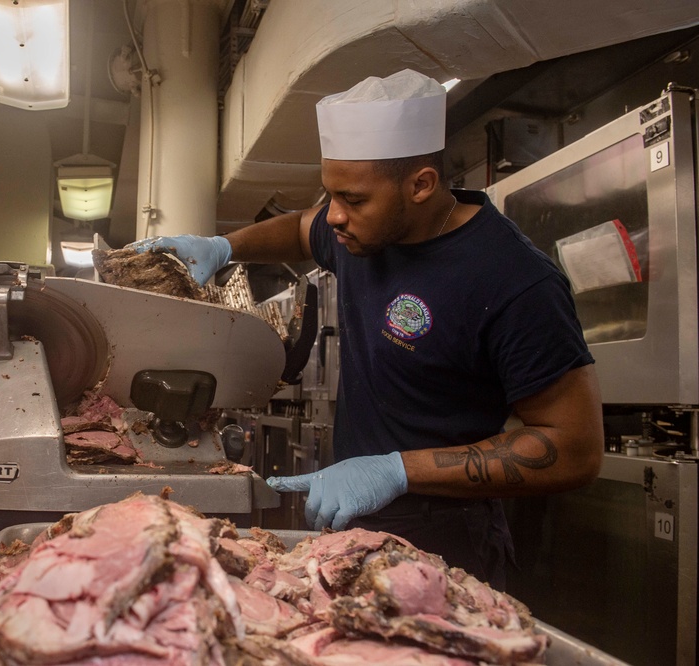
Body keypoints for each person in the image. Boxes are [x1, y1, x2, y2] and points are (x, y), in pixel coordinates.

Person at [130, 69, 603, 587]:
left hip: (446, 538)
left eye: (353, 199)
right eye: (331, 195)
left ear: (421, 184)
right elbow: (298, 227)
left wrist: (395, 471)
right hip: (355, 523)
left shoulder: (513, 281)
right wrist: (222, 247)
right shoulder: (361, 232)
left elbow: (574, 448)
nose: (334, 216)